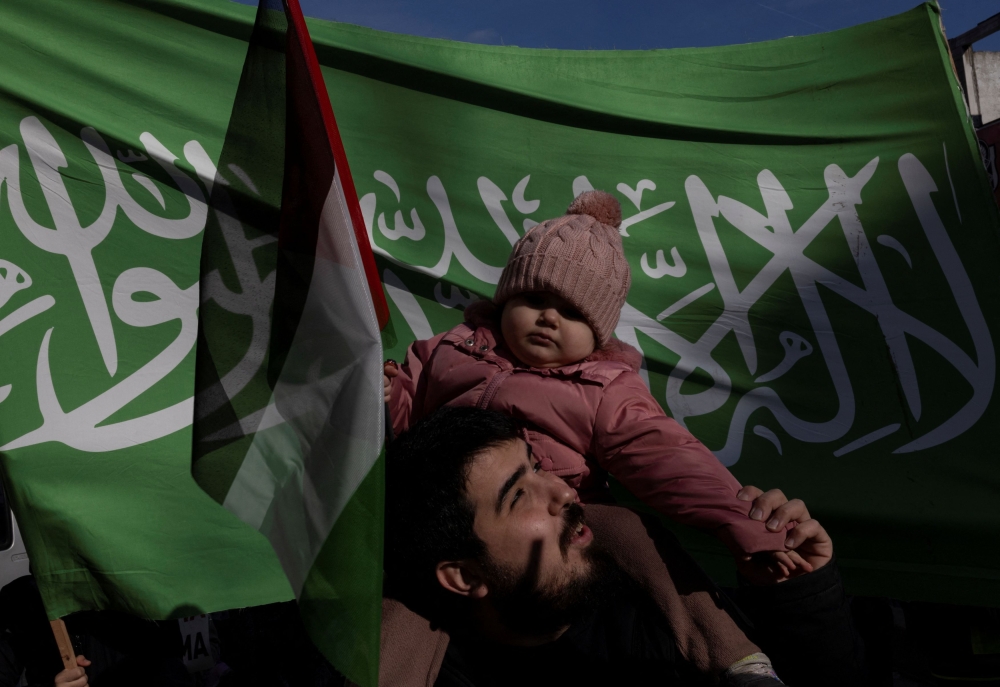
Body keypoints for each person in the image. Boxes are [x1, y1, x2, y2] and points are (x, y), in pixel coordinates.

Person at [383, 190, 795, 569]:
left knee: (633, 535)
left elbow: (669, 460)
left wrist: (748, 523)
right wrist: (385, 397)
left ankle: (725, 647)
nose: (548, 317)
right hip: (439, 515)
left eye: (572, 312)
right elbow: (405, 419)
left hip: (550, 537)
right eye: (534, 299)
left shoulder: (605, 391)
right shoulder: (451, 348)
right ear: (505, 299)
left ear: (599, 331)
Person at [384, 406, 862, 686]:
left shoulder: (667, 608)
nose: (565, 492)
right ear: (464, 575)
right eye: (519, 495)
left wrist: (800, 595)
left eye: (538, 465)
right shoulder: (424, 668)